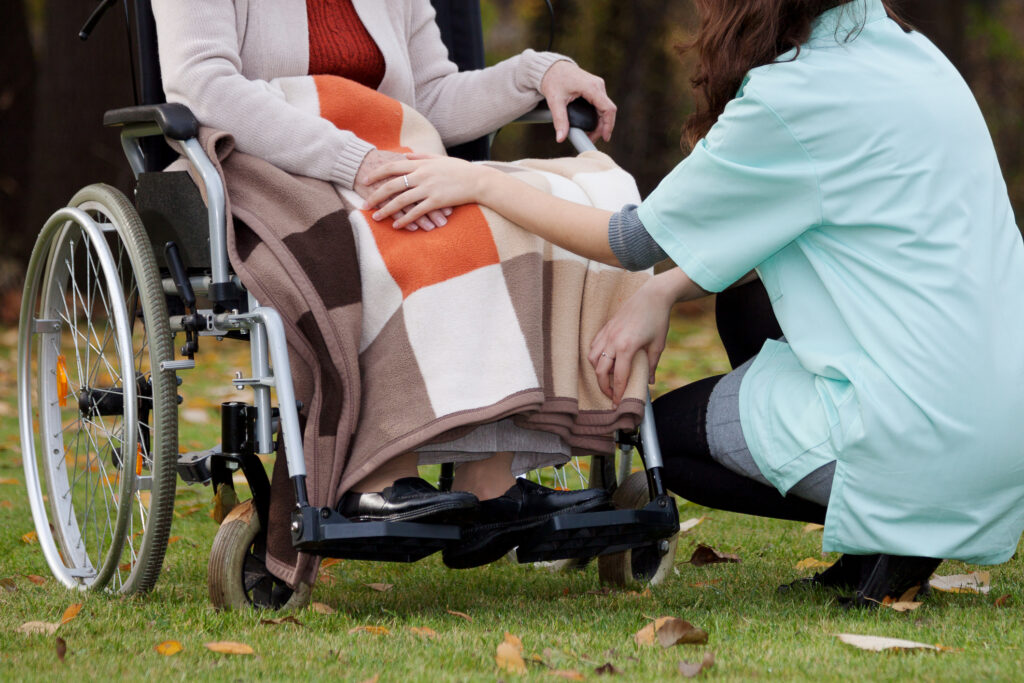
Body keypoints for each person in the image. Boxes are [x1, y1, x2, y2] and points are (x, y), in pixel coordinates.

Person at [366, 0, 1024, 603]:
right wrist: (665, 288)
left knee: (666, 442)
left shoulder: (793, 95)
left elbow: (629, 237)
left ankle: (899, 528)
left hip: (918, 432)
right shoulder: (915, 54)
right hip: (1002, 425)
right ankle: (885, 536)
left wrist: (477, 180)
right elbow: (769, 228)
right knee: (743, 302)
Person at [152, 0, 624, 557]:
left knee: (516, 213)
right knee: (413, 224)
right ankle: (380, 471)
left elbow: (432, 100)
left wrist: (537, 72)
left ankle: (491, 484)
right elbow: (203, 86)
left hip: (387, 155)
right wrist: (352, 159)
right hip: (260, 167)